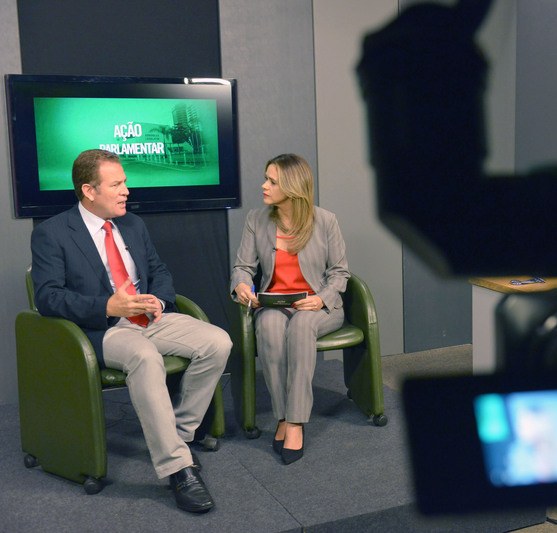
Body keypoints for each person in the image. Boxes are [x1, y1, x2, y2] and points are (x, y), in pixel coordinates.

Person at [30, 149, 232, 513]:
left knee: (218, 342)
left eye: (125, 182)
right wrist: (107, 306)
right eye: (116, 184)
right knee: (144, 357)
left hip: (148, 318)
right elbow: (48, 298)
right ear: (89, 191)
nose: (126, 190)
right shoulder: (52, 233)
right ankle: (178, 468)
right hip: (101, 328)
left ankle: (179, 435)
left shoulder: (133, 225)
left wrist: (160, 300)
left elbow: (159, 271)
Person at [230, 153, 349, 465]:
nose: (264, 185)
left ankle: (295, 422)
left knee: (301, 325)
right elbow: (243, 267)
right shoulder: (256, 219)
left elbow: (340, 273)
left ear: (293, 188)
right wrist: (241, 285)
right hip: (274, 303)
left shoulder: (326, 220)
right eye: (266, 178)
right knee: (269, 328)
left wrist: (321, 298)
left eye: (272, 181)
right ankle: (283, 416)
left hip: (318, 305)